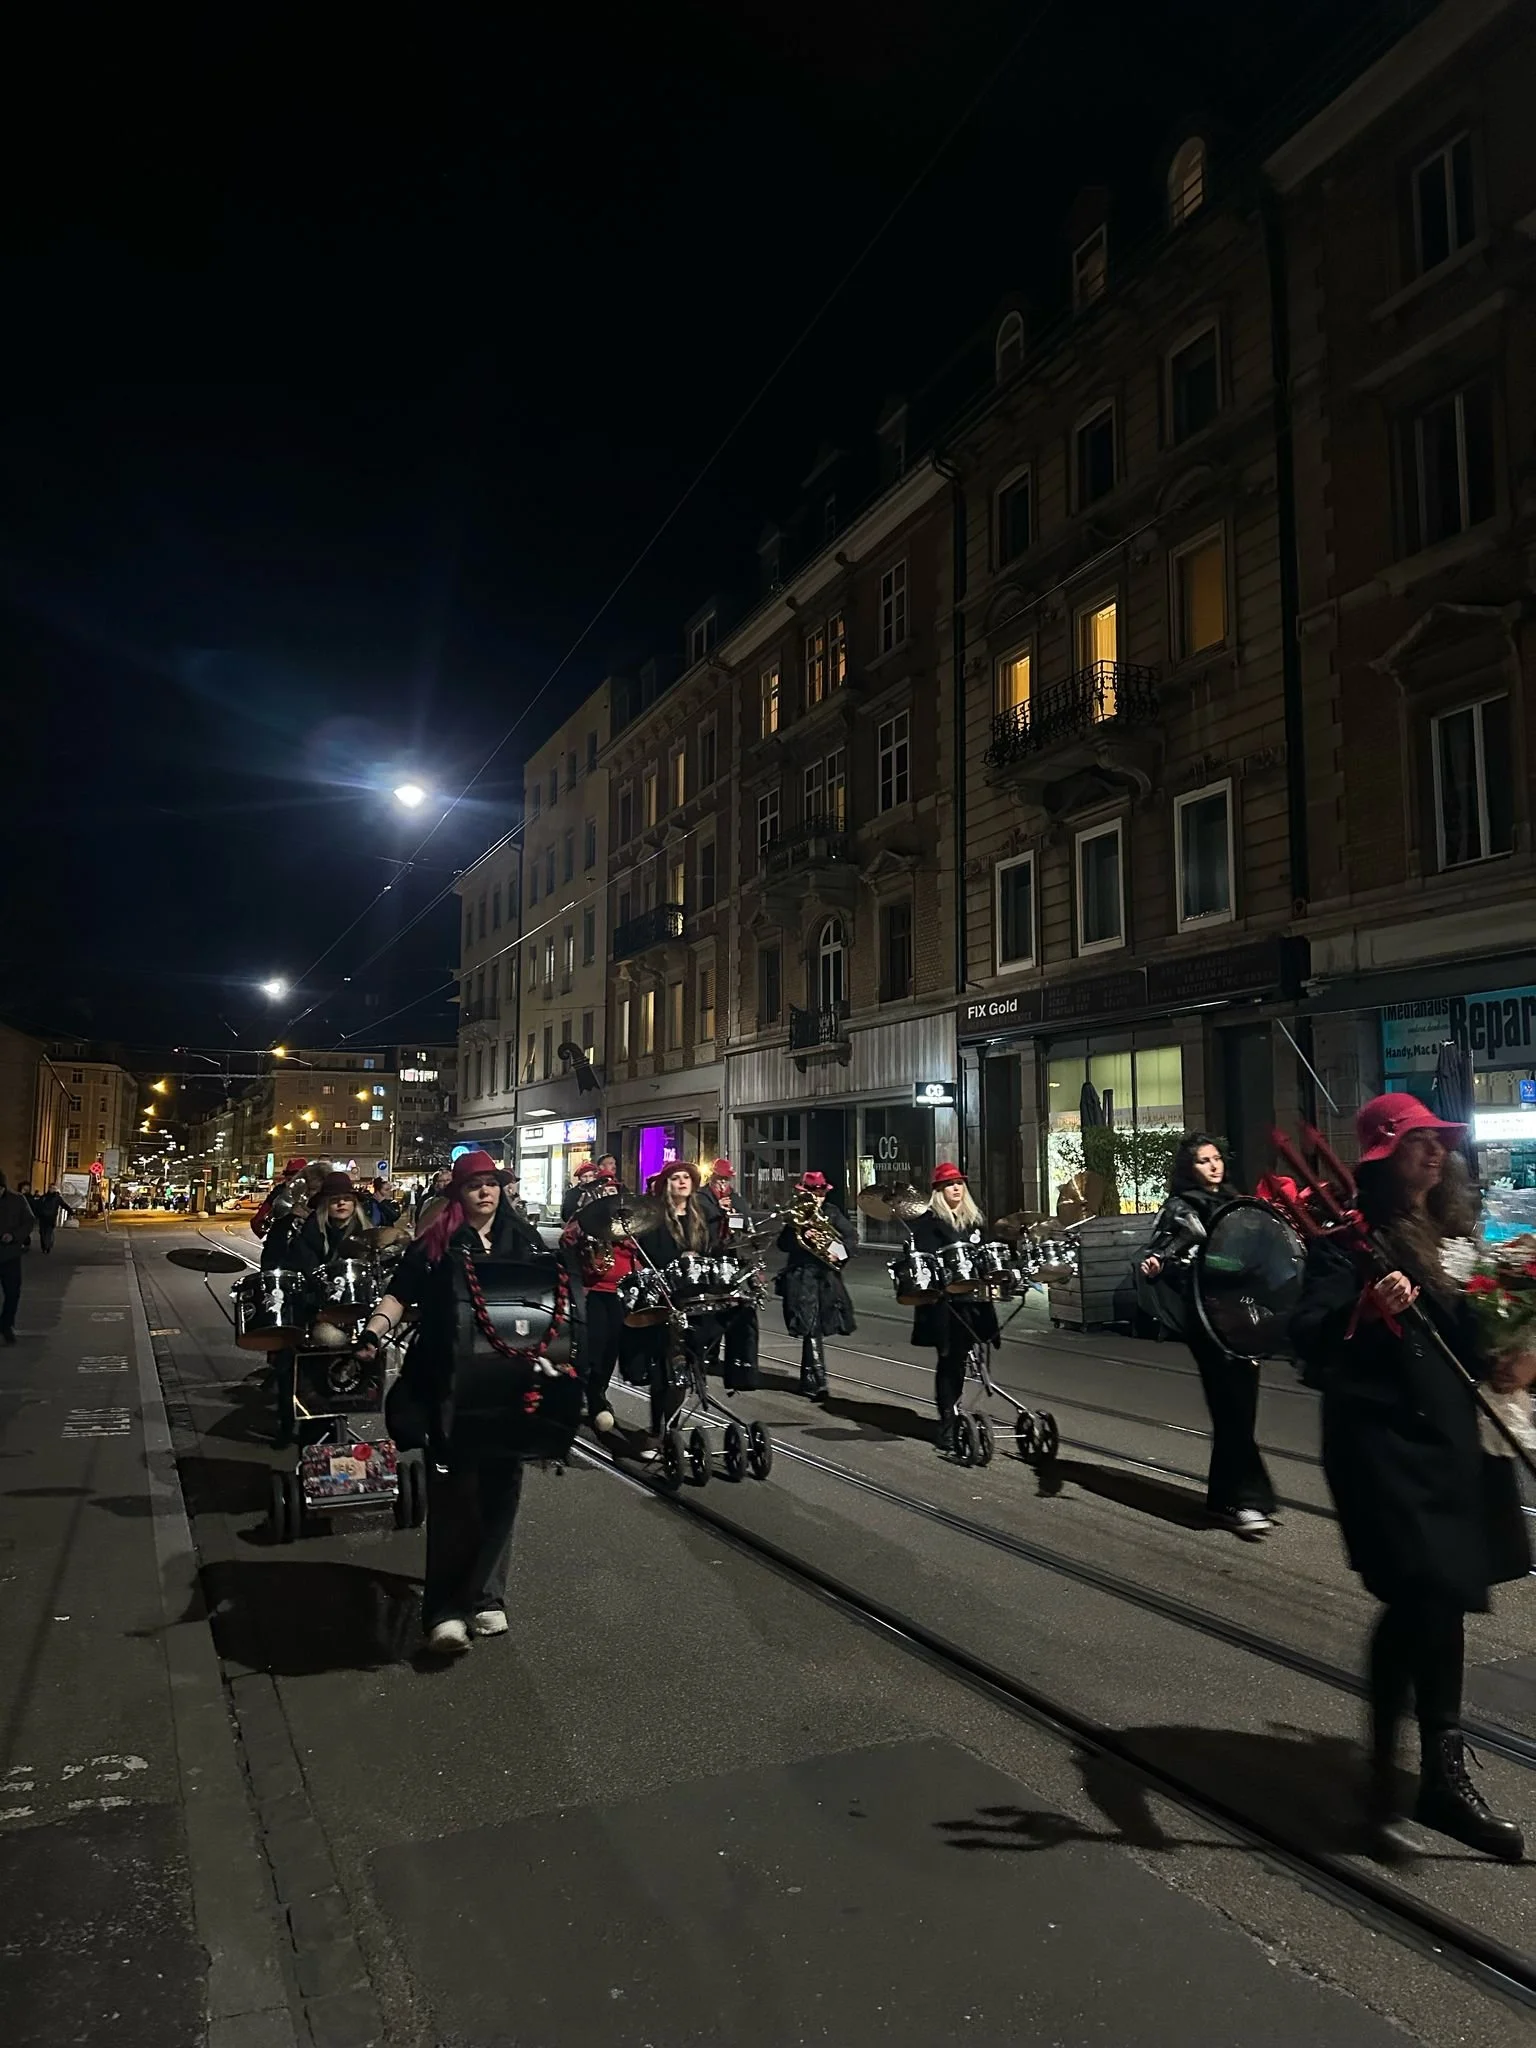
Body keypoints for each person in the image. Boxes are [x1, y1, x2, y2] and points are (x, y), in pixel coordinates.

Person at [1292, 1093, 1529, 1863]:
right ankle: (1411, 1775)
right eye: (1416, 1141)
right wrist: (1362, 1310)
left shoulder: (1458, 1230)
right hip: (1382, 1446)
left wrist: (1514, 1350)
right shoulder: (1347, 1238)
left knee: (1442, 1598)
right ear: (1383, 1157)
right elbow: (1307, 1335)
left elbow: (1479, 1335)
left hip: (1454, 1442)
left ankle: (1424, 1772)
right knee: (1424, 1592)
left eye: (1438, 1140)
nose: (1434, 1150)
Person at [351, 1151, 564, 1653]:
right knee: (452, 1496)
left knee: (502, 1492)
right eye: (475, 1185)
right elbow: (399, 1295)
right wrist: (373, 1332)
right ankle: (445, 1611)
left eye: (492, 1184)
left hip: (508, 1385)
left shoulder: (524, 1241)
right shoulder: (436, 1243)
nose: (486, 1192)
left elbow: (549, 1301)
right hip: (448, 1385)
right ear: (459, 1195)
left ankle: (487, 1596)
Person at [1138, 1134, 1277, 1540]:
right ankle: (1242, 1499)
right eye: (1204, 1160)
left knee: (1242, 1408)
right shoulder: (1180, 1207)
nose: (1214, 1166)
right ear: (1189, 1167)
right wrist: (1156, 1265)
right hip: (1208, 1319)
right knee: (1231, 1407)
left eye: (1217, 1158)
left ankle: (1226, 1497)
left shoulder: (1236, 1202)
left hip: (1244, 1316)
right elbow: (1160, 1252)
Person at [908, 1163, 998, 1446]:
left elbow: (986, 1253)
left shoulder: (975, 1219)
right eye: (949, 1185)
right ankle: (948, 1421)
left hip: (974, 1300)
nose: (956, 1188)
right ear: (939, 1191)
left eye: (959, 1183)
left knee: (967, 1355)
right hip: (945, 1303)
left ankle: (960, 1416)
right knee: (950, 1361)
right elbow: (923, 1260)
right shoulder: (928, 1222)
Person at [630, 1163, 717, 1445]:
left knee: (689, 1362)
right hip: (666, 1297)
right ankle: (661, 1428)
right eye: (676, 1178)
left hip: (696, 1297)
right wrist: (677, 1260)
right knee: (664, 1367)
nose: (682, 1182)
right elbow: (650, 1253)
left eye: (687, 1178)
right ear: (667, 1185)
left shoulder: (702, 1215)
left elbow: (714, 1250)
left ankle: (673, 1428)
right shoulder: (656, 1218)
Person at [776, 1171, 856, 1400]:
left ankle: (808, 1379)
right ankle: (820, 1380)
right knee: (809, 1326)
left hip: (826, 1278)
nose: (818, 1197)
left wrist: (838, 1253)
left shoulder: (832, 1212)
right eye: (814, 1192)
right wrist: (800, 1234)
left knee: (817, 1327)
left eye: (821, 1193)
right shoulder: (797, 1213)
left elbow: (850, 1237)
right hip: (801, 1277)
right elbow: (783, 1244)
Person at [0, 1173, 35, 1345]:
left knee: (12, 1293)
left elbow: (29, 1221)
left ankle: (6, 1325)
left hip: (10, 1254)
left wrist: (14, 1236)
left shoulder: (17, 1200)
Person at [252, 1158, 308, 1241]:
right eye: (289, 1179)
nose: (292, 1184)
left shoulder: (278, 1192)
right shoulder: (278, 1193)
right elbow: (259, 1220)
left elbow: (258, 1221)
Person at [30, 1182, 73, 1253]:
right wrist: (36, 1214)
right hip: (43, 1217)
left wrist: (70, 1211)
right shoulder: (44, 1197)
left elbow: (64, 1205)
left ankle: (47, 1246)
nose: (52, 1189)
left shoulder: (57, 1198)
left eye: (54, 1188)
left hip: (51, 1218)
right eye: (51, 1188)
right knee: (42, 1232)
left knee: (48, 1232)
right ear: (49, 1188)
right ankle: (44, 1246)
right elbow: (38, 1206)